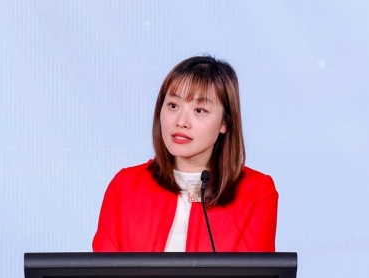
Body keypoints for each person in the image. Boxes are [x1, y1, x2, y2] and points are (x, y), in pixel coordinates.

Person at [92, 55, 278, 252]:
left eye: (199, 110)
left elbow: (251, 271)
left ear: (225, 123)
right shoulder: (125, 186)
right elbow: (105, 268)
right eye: (173, 106)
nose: (181, 122)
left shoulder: (257, 192)